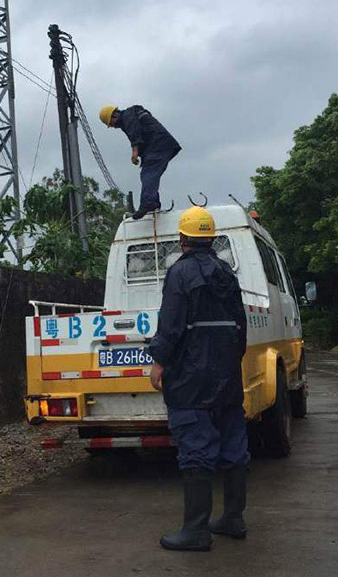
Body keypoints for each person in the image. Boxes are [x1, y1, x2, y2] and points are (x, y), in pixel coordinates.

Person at [148, 206, 249, 552]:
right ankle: (233, 519)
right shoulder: (227, 273)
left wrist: (159, 361)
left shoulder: (180, 274)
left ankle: (195, 531)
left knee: (196, 450)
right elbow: (241, 328)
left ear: (183, 238)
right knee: (234, 448)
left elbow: (172, 324)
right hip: (227, 380)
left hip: (191, 381)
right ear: (211, 237)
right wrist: (229, 363)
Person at [99, 104, 181, 219]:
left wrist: (135, 152)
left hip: (159, 145)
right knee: (148, 174)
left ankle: (148, 203)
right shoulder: (132, 115)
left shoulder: (127, 116)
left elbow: (135, 133)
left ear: (114, 116)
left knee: (149, 174)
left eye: (111, 124)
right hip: (160, 146)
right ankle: (153, 203)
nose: (113, 127)